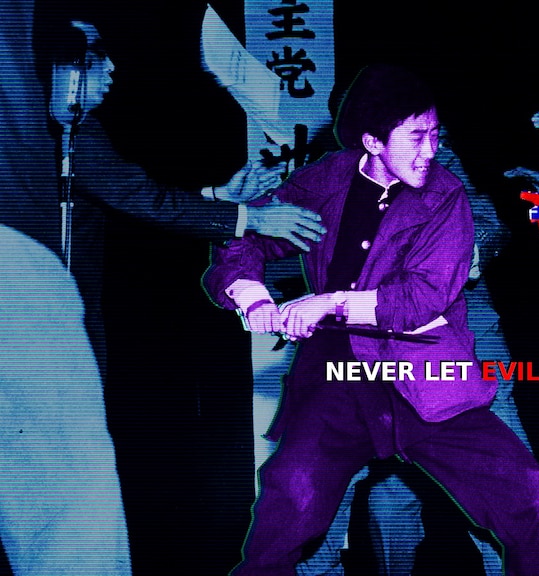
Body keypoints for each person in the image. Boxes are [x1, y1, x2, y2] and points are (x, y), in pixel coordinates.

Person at [203, 63, 539, 576]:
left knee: (534, 497)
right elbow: (251, 237)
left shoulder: (444, 194)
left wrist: (327, 303)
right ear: (371, 142)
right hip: (337, 379)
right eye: (416, 136)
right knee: (289, 507)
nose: (431, 150)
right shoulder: (326, 179)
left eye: (435, 134)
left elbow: (420, 299)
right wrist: (253, 296)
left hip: (425, 377)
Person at [36, 18, 326, 372]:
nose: (112, 66)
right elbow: (140, 199)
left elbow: (134, 201)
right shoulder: (54, 135)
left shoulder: (81, 129)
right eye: (98, 55)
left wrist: (220, 195)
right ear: (66, 70)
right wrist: (253, 218)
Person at [0, 3, 129, 574]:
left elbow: (132, 192)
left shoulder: (79, 137)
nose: (110, 70)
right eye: (91, 59)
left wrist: (221, 201)